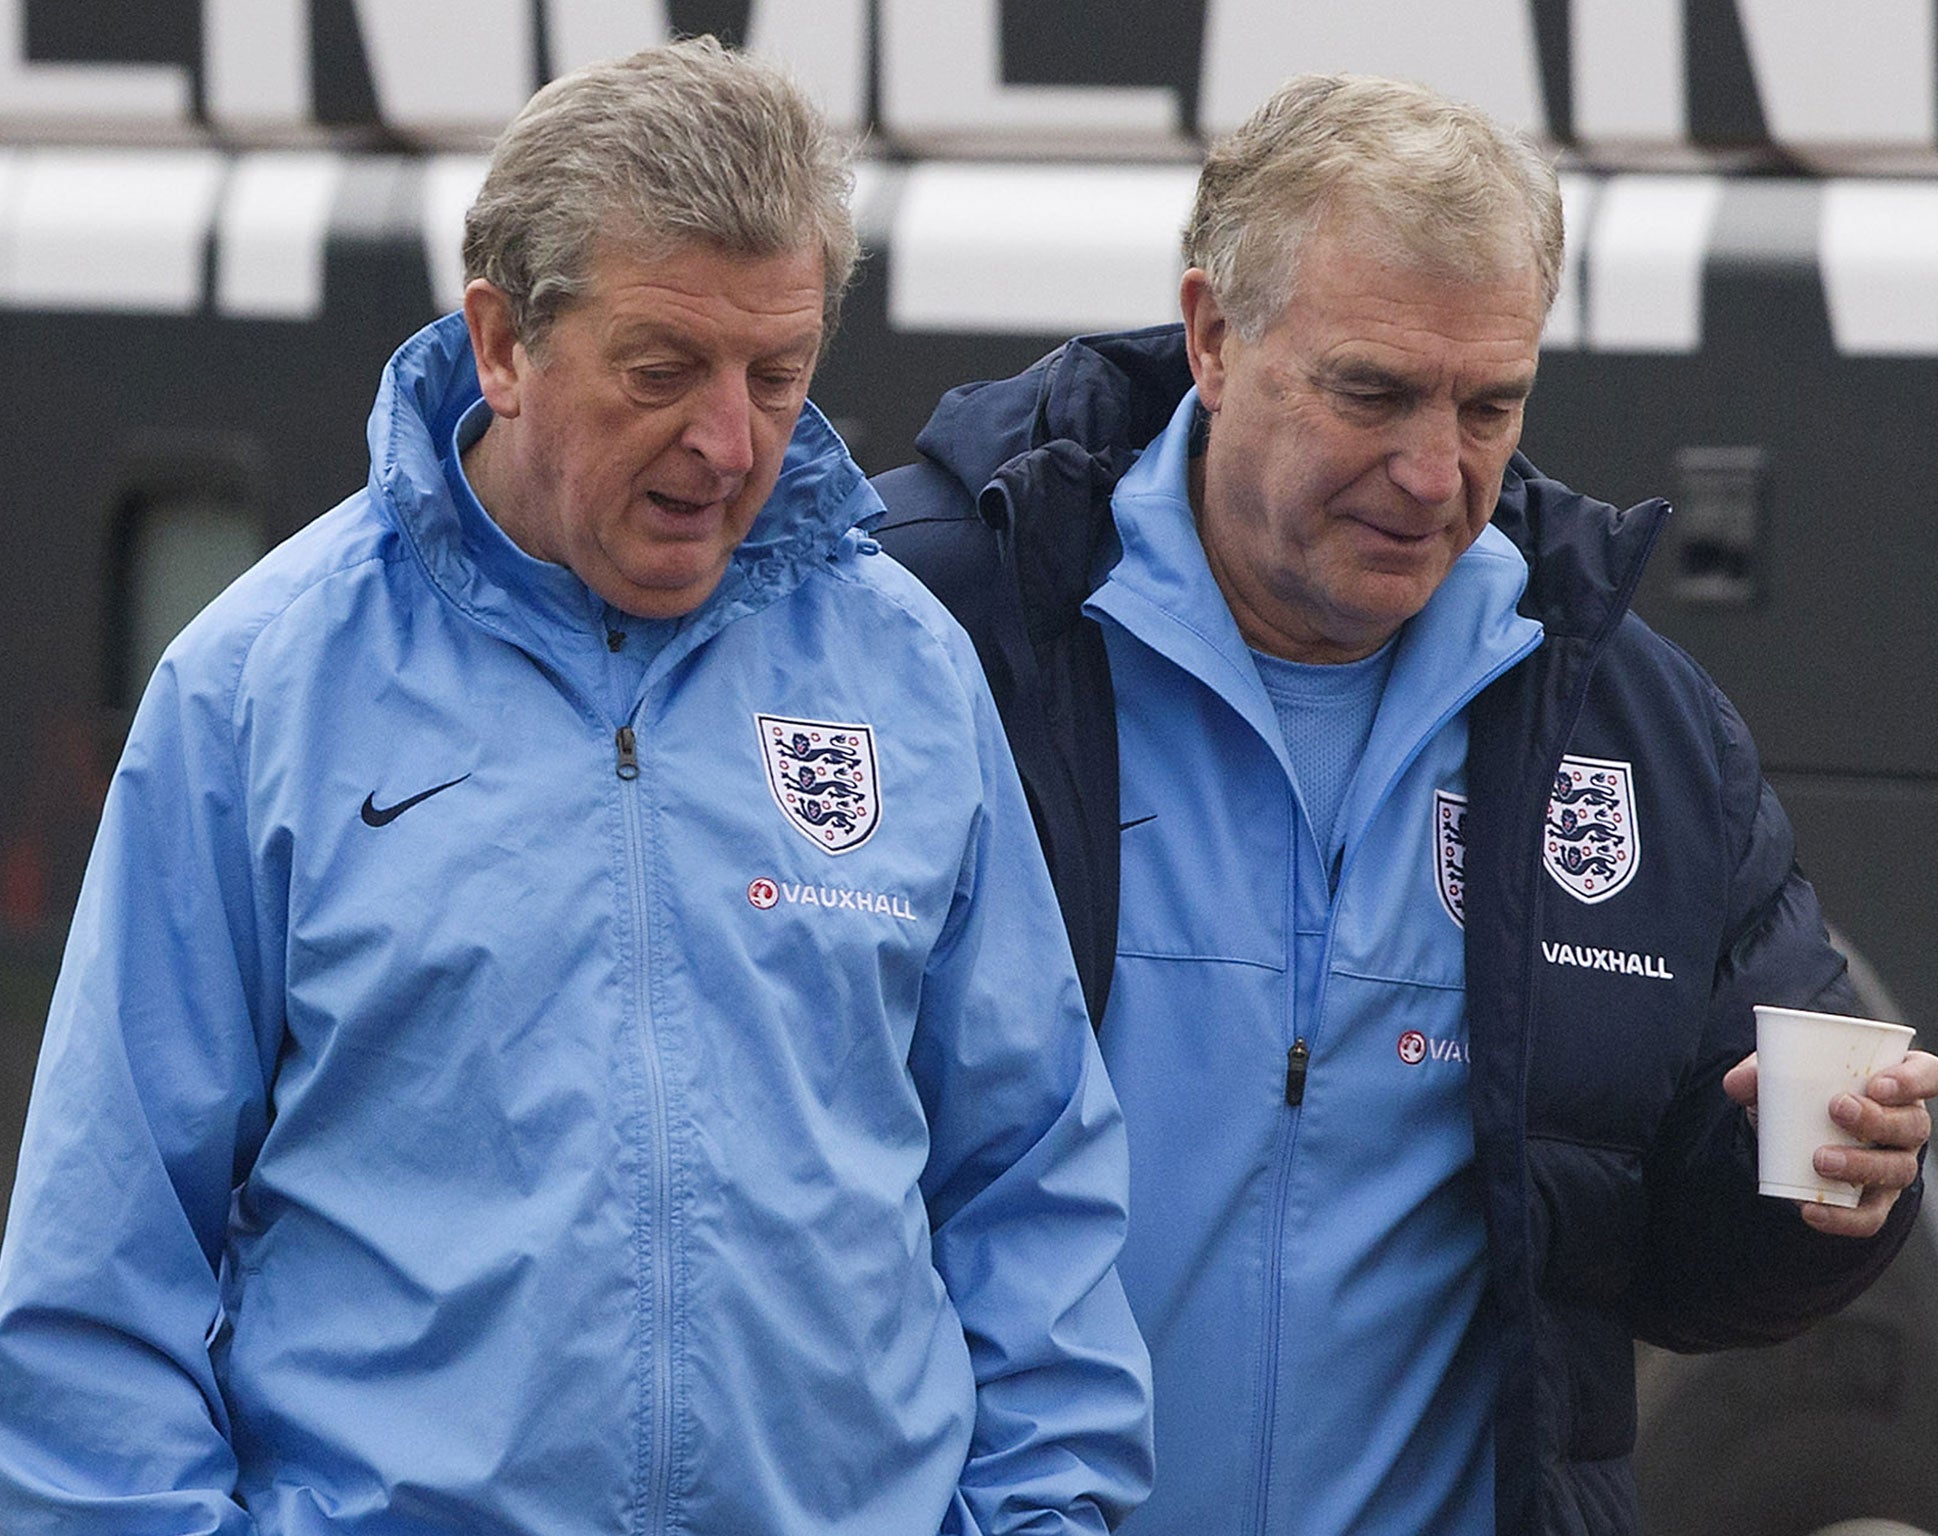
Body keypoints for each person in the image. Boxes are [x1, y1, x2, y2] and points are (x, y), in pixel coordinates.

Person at [0, 38, 1151, 1536]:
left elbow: (1030, 1182)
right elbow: (103, 1273)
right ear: (502, 342)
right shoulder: (261, 689)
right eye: (662, 370)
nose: (731, 443)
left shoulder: (903, 671)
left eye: (779, 374)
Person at [872, 73, 1938, 1536]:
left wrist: (1819, 1189)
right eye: (1372, 392)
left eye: (1489, 404)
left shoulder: (1633, 724)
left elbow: (1668, 1269)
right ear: (1211, 337)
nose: (1435, 473)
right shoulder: (926, 625)